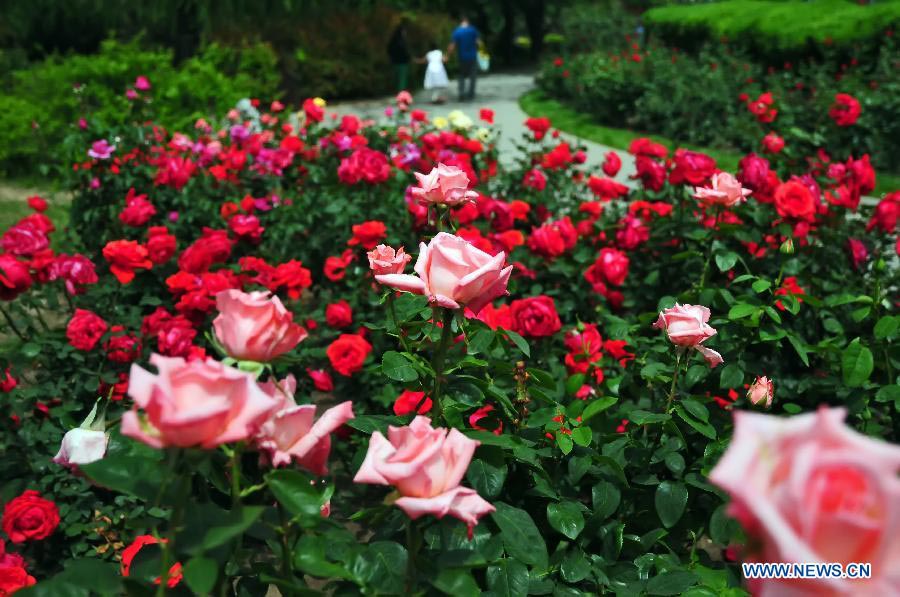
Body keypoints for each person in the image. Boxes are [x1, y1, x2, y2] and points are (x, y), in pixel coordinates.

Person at [447, 16, 479, 101]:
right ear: (468, 22)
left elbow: (452, 45)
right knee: (473, 76)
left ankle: (461, 93)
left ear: (460, 22)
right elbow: (478, 42)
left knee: (461, 76)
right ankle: (471, 94)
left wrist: (448, 55)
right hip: (472, 56)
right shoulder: (473, 30)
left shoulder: (457, 31)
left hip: (462, 57)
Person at [387, 22, 411, 93]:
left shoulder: (393, 41)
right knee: (402, 79)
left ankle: (397, 92)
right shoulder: (402, 41)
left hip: (394, 61)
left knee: (396, 78)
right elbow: (405, 51)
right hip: (402, 62)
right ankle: (401, 94)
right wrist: (408, 57)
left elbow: (389, 50)